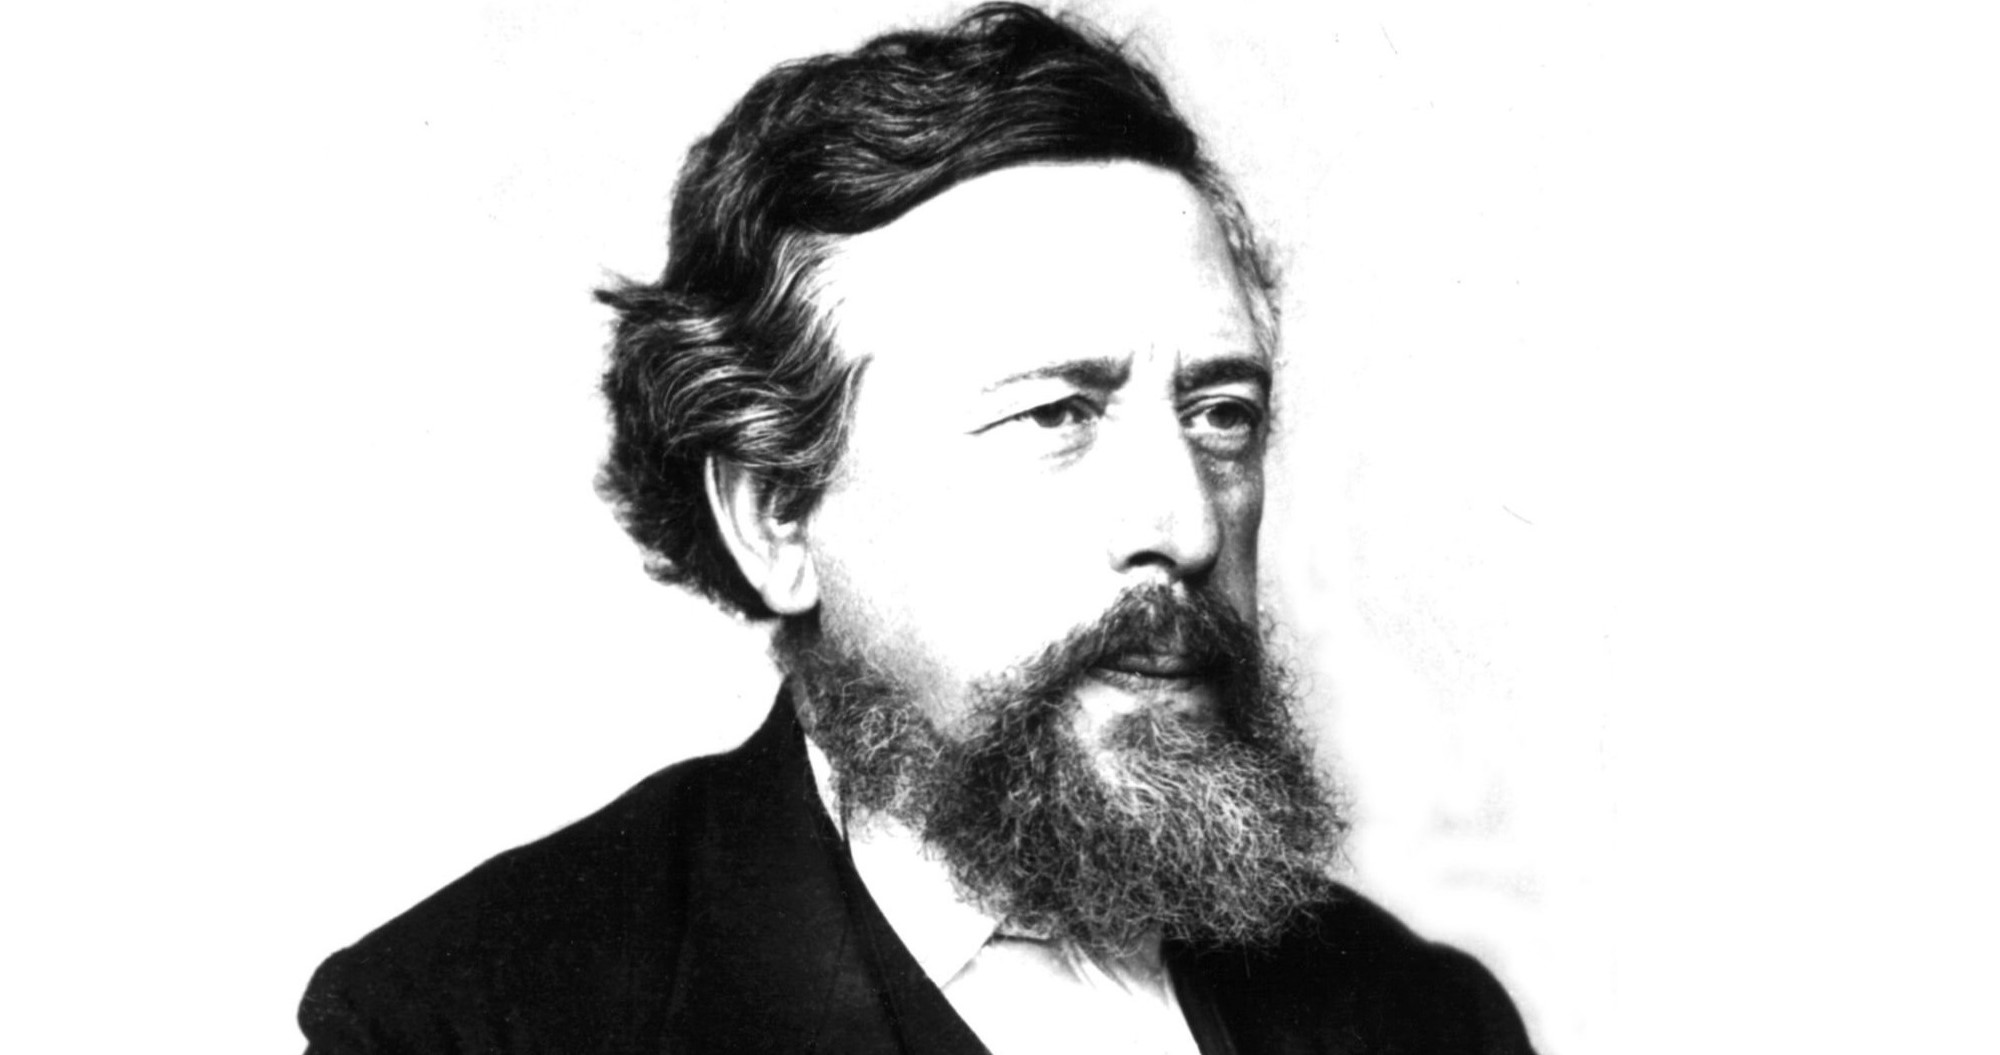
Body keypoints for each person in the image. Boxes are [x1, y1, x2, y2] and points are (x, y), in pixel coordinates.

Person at [297, 5, 1536, 1052]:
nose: (1185, 524)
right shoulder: (467, 1024)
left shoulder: (1423, 1018)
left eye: (1220, 414)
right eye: (1056, 413)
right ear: (776, 514)